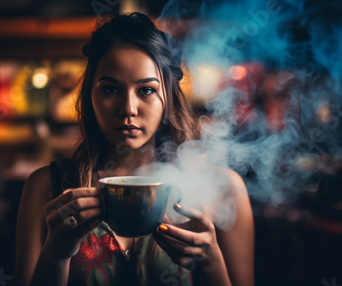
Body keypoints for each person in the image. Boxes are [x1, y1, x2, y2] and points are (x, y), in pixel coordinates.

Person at [15, 13, 254, 286]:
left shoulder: (223, 189)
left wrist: (211, 262)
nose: (128, 108)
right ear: (89, 96)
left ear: (169, 97)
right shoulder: (46, 187)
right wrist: (55, 256)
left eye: (146, 90)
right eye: (109, 90)